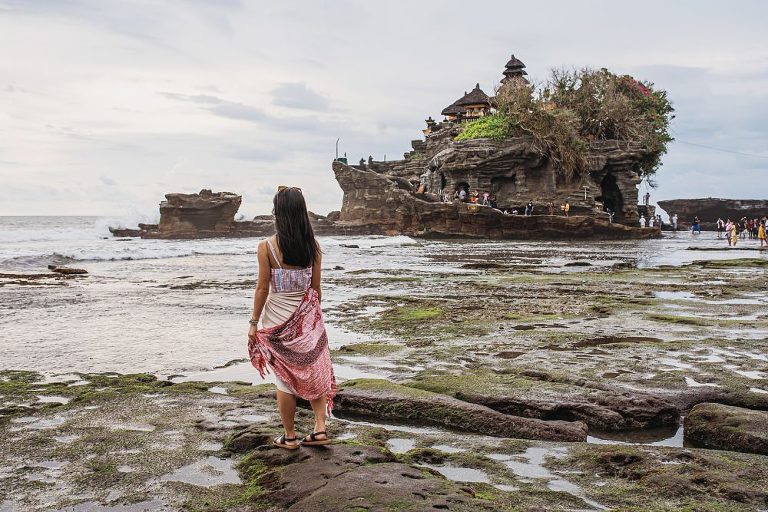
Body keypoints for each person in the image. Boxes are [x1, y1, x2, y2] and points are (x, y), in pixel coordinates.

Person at [248, 186, 336, 450]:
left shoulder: (266, 248)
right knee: (315, 371)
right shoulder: (313, 247)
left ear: (278, 213)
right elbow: (316, 289)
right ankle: (320, 428)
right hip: (308, 320)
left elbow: (263, 288)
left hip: (276, 320)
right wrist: (311, 321)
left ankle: (289, 436)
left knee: (284, 379)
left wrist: (253, 323)